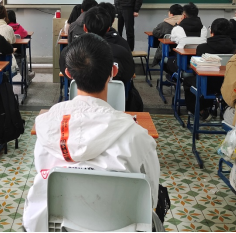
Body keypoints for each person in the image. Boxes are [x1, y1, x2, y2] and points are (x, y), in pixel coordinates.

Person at [23, 33, 160, 232]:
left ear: (68, 74)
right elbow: (151, 197)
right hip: (121, 226)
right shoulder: (137, 136)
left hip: (52, 225)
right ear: (113, 71)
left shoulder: (47, 126)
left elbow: (41, 170)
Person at [60, 7, 134, 83]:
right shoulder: (122, 52)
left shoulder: (68, 52)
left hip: (79, 89)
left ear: (85, 28)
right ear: (108, 29)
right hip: (113, 90)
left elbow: (65, 71)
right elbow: (128, 75)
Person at [182, 18, 236, 120]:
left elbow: (197, 70)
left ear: (212, 32)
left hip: (207, 86)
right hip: (229, 85)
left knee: (188, 80)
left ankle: (199, 110)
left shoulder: (202, 48)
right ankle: (225, 108)